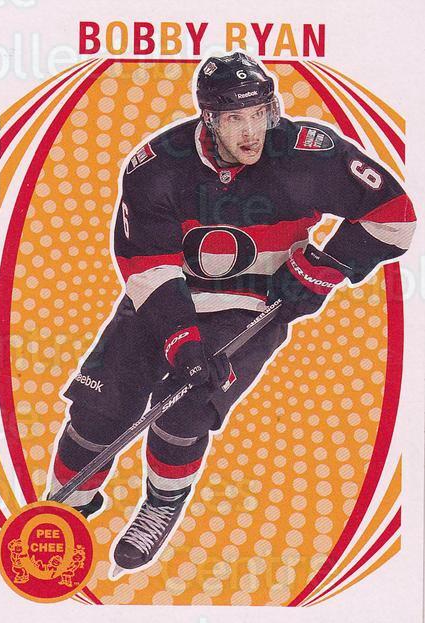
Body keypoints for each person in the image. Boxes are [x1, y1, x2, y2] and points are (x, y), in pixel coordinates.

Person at [47, 52, 416, 573]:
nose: (251, 132)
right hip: (161, 298)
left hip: (250, 305)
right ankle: (60, 511)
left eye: (259, 113)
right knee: (99, 409)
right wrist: (181, 338)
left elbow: (396, 217)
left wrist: (322, 267)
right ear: (209, 118)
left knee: (184, 409)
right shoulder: (158, 164)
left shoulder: (308, 154)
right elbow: (146, 265)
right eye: (234, 118)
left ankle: (160, 503)